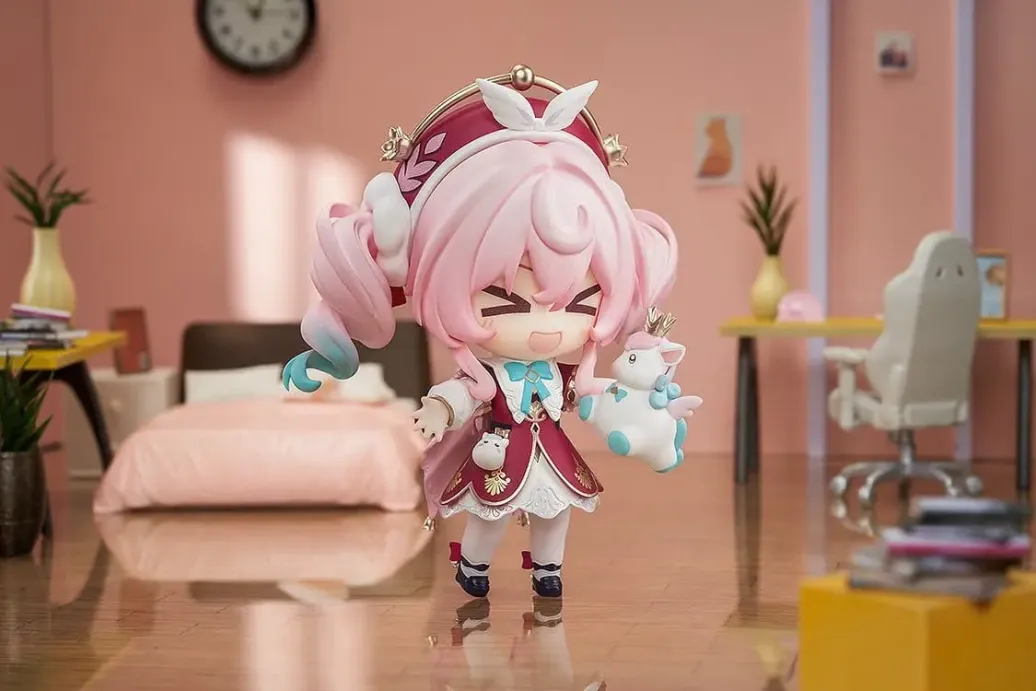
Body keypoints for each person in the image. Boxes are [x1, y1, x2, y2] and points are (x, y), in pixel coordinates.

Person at [282, 64, 678, 599]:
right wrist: (439, 410)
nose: (546, 328)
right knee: (489, 513)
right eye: (505, 302)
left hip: (550, 453)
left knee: (556, 510)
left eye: (578, 304)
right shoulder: (485, 377)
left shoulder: (566, 374)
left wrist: (635, 406)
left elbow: (594, 398)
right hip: (499, 452)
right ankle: (474, 565)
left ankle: (548, 569)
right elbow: (463, 395)